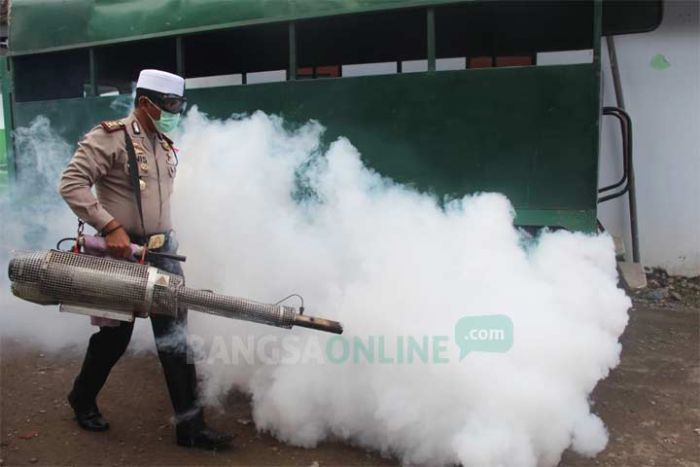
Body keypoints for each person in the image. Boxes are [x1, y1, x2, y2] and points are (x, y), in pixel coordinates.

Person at [58, 69, 233, 450]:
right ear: (144, 103)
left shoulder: (163, 142)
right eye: (169, 105)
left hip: (161, 253)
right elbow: (71, 183)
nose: (175, 112)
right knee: (114, 339)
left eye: (178, 105)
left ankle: (191, 428)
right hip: (123, 254)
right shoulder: (110, 137)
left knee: (175, 341)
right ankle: (81, 398)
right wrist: (109, 227)